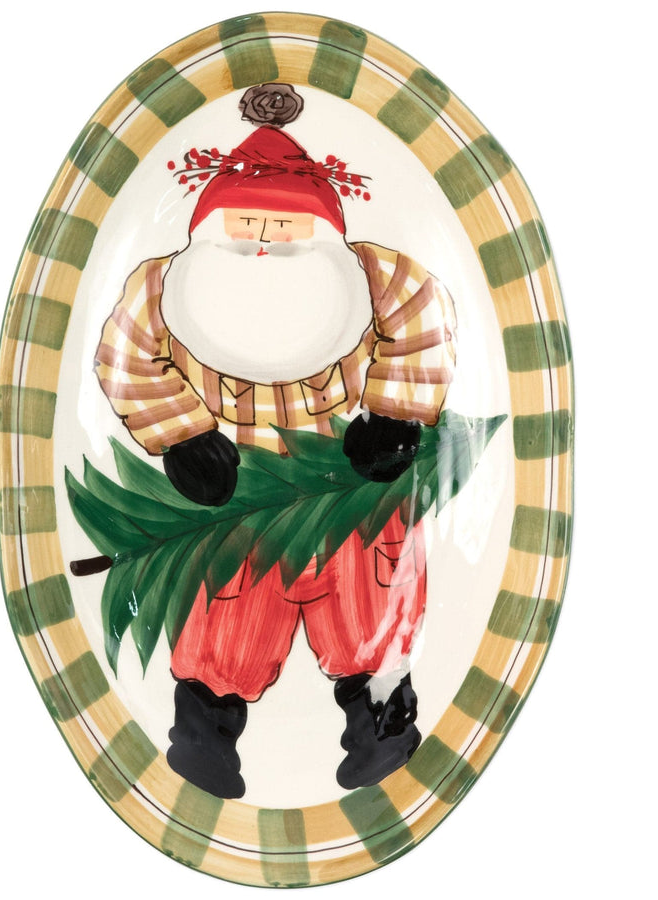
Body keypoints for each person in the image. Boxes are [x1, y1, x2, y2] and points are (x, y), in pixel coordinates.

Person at [94, 83, 457, 798]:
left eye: (285, 228)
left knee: (369, 600)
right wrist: (182, 435)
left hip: (347, 481)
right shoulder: (165, 288)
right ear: (207, 235)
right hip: (240, 489)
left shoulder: (374, 277)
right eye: (244, 225)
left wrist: (395, 413)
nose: (262, 241)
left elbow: (424, 318)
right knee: (226, 611)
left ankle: (381, 727)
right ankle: (204, 736)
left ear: (325, 239)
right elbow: (126, 355)